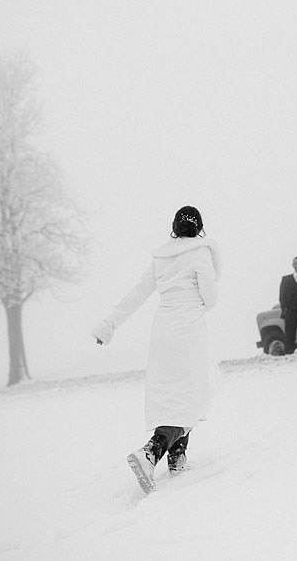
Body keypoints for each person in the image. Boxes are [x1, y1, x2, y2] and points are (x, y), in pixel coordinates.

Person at [91, 205, 220, 494]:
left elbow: (136, 294)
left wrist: (108, 325)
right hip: (189, 331)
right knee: (193, 392)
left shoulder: (160, 258)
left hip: (162, 332)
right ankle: (151, 452)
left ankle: (177, 457)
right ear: (199, 228)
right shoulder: (201, 253)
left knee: (173, 395)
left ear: (174, 226)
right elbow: (210, 298)